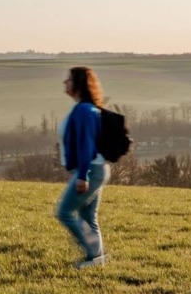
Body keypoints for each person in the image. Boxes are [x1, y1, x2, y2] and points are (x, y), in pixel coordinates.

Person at [55, 66, 110, 269]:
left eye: (68, 80)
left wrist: (83, 175)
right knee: (87, 216)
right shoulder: (84, 108)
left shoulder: (84, 110)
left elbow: (86, 144)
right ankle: (96, 260)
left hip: (91, 169)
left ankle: (94, 252)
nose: (65, 83)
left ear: (78, 84)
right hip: (92, 169)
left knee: (64, 213)